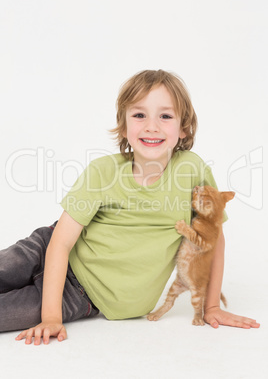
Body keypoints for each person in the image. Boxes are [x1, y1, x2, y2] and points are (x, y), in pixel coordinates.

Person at [0, 70, 260, 345]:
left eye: (165, 116)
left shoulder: (192, 170)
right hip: (45, 249)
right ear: (124, 126)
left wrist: (212, 308)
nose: (152, 126)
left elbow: (213, 238)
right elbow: (61, 243)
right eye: (139, 115)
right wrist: (51, 317)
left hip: (81, 295)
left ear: (183, 127)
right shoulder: (102, 171)